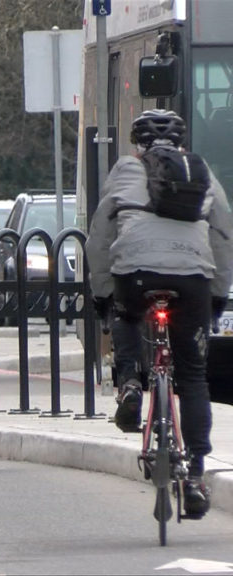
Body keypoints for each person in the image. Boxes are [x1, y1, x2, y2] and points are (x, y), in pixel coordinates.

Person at [86, 109, 233, 519]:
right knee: (192, 375)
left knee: (128, 313)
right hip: (193, 280)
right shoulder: (200, 171)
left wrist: (102, 295)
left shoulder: (125, 171)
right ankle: (196, 476)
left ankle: (131, 383)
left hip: (135, 274)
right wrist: (217, 296)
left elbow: (100, 237)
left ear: (137, 144)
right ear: (181, 142)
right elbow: (223, 236)